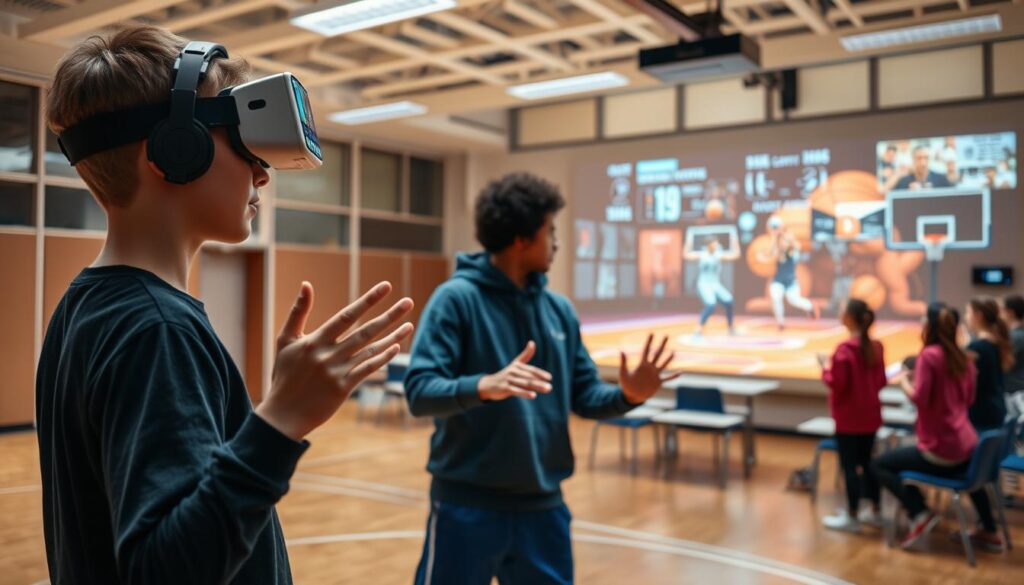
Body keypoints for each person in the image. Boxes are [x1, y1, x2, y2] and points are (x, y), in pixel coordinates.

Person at [36, 25, 415, 584]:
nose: (262, 172)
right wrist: (281, 419)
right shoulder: (156, 329)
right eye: (240, 142)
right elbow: (164, 571)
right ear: (174, 150)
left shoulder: (86, 306)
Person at [404, 173, 680, 585]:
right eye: (550, 231)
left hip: (543, 507)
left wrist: (628, 396)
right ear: (521, 239)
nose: (556, 242)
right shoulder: (456, 299)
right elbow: (420, 392)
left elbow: (586, 395)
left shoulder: (559, 311)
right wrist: (483, 386)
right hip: (466, 503)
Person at [872, 303, 981, 550]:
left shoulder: (930, 355)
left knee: (879, 464)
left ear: (929, 326)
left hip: (940, 448)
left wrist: (905, 383)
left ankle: (919, 511)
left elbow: (919, 399)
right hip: (965, 443)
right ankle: (921, 509)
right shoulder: (964, 357)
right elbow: (968, 398)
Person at [817, 299, 886, 533]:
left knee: (849, 467)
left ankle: (853, 515)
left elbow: (838, 384)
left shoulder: (844, 350)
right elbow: (881, 381)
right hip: (871, 417)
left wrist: (824, 369)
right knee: (868, 462)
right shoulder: (876, 347)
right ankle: (875, 510)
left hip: (848, 419)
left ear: (848, 317)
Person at [957, 297, 1014, 551]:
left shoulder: (978, 346)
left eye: (968, 312)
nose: (966, 317)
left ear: (978, 315)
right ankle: (987, 525)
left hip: (981, 416)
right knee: (978, 471)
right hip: (993, 412)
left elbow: (963, 381)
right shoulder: (994, 342)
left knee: (969, 468)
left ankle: (987, 527)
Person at [759, 224, 819, 331]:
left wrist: (788, 237)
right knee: (776, 298)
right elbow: (769, 254)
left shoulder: (793, 251)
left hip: (791, 282)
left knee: (795, 300)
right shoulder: (777, 250)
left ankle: (810, 307)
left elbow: (796, 247)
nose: (783, 243)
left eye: (785, 241)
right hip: (778, 281)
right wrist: (774, 236)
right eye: (782, 240)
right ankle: (780, 323)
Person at [684, 234, 740, 336]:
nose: (716, 246)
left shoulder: (718, 255)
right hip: (704, 284)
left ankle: (731, 327)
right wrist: (689, 240)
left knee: (729, 302)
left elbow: (736, 255)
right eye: (714, 244)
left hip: (715, 284)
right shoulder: (702, 255)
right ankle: (698, 329)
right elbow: (686, 255)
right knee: (710, 304)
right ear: (708, 245)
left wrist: (735, 241)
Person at [885, 145, 953, 192]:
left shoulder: (941, 179)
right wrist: (908, 194)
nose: (923, 163)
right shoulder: (903, 182)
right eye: (919, 158)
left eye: (926, 158)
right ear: (913, 160)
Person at [1000, 294, 1024, 394]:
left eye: (1002, 311)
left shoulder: (1014, 337)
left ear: (1010, 312)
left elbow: (1001, 363)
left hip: (1015, 390)